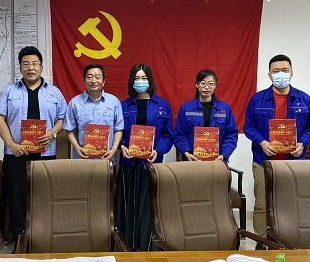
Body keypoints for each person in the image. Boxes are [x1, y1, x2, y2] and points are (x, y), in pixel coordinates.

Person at [243, 54, 310, 246]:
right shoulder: (257, 99)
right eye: (276, 71)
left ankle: (286, 241)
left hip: (292, 164)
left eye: (284, 71)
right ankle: (262, 242)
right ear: (269, 75)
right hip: (263, 161)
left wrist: (302, 143)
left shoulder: (304, 99)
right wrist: (262, 142)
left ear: (292, 73)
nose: (280, 74)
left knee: (289, 205)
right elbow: (248, 126)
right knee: (262, 205)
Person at [0, 46, 67, 242]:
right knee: (16, 196)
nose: (30, 68)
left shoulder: (54, 92)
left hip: (46, 153)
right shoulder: (9, 91)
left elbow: (62, 118)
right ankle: (18, 238)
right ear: (20, 68)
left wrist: (52, 133)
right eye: (26, 64)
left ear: (41, 67)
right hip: (16, 154)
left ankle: (42, 237)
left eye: (34, 64)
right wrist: (10, 144)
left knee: (43, 195)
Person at [117, 64, 173, 251]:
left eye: (144, 78)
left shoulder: (162, 106)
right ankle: (126, 247)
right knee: (127, 207)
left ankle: (148, 248)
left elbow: (168, 135)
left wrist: (158, 150)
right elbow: (117, 131)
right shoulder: (123, 105)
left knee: (149, 206)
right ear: (131, 82)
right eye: (136, 78)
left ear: (150, 81)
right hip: (128, 163)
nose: (140, 82)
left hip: (151, 164)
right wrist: (122, 146)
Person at [174, 69, 238, 162]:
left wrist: (224, 155)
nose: (207, 87)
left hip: (217, 161)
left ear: (215, 85)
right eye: (203, 83)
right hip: (191, 161)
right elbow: (179, 135)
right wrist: (186, 152)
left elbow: (231, 135)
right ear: (197, 84)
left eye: (210, 83)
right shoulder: (186, 108)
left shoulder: (224, 108)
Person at [63, 63, 124, 161]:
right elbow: (69, 129)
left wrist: (113, 149)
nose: (93, 81)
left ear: (103, 81)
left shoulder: (114, 102)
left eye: (97, 77)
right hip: (83, 159)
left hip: (106, 158)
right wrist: (76, 147)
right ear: (84, 80)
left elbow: (119, 129)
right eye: (89, 77)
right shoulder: (74, 103)